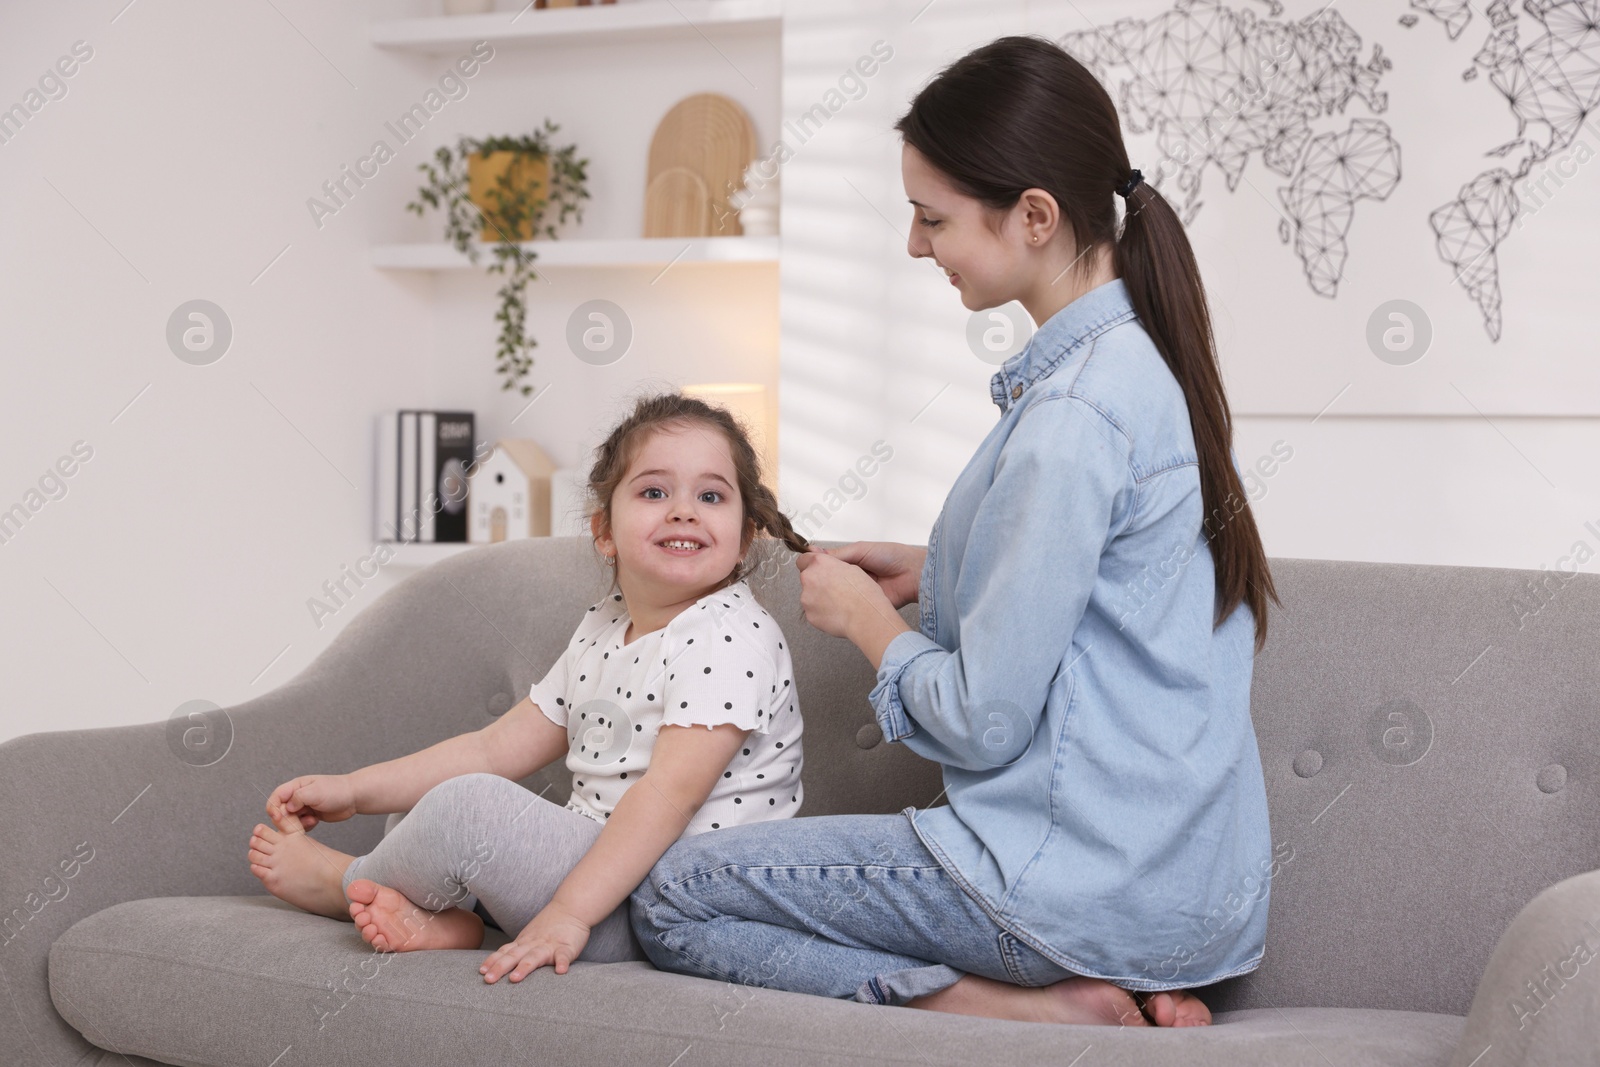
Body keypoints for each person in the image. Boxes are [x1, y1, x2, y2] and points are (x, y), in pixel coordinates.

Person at [628, 34, 1281, 1028]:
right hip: (1190, 908)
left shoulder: (1071, 418)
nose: (914, 246)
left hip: (1064, 889)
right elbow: (1114, 596)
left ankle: (1024, 1005)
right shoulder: (1140, 371)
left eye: (932, 218)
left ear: (1033, 217)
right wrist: (939, 571)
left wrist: (862, 621)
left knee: (669, 892)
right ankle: (1134, 986)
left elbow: (983, 720)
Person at [246, 391, 813, 985]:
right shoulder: (604, 627)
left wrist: (567, 916)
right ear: (605, 532)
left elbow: (670, 796)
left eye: (711, 495)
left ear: (746, 536)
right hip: (597, 874)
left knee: (464, 807)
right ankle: (453, 924)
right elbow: (493, 749)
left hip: (661, 903)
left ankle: (344, 883)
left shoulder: (726, 636)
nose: (683, 510)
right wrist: (356, 791)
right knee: (425, 803)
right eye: (653, 491)